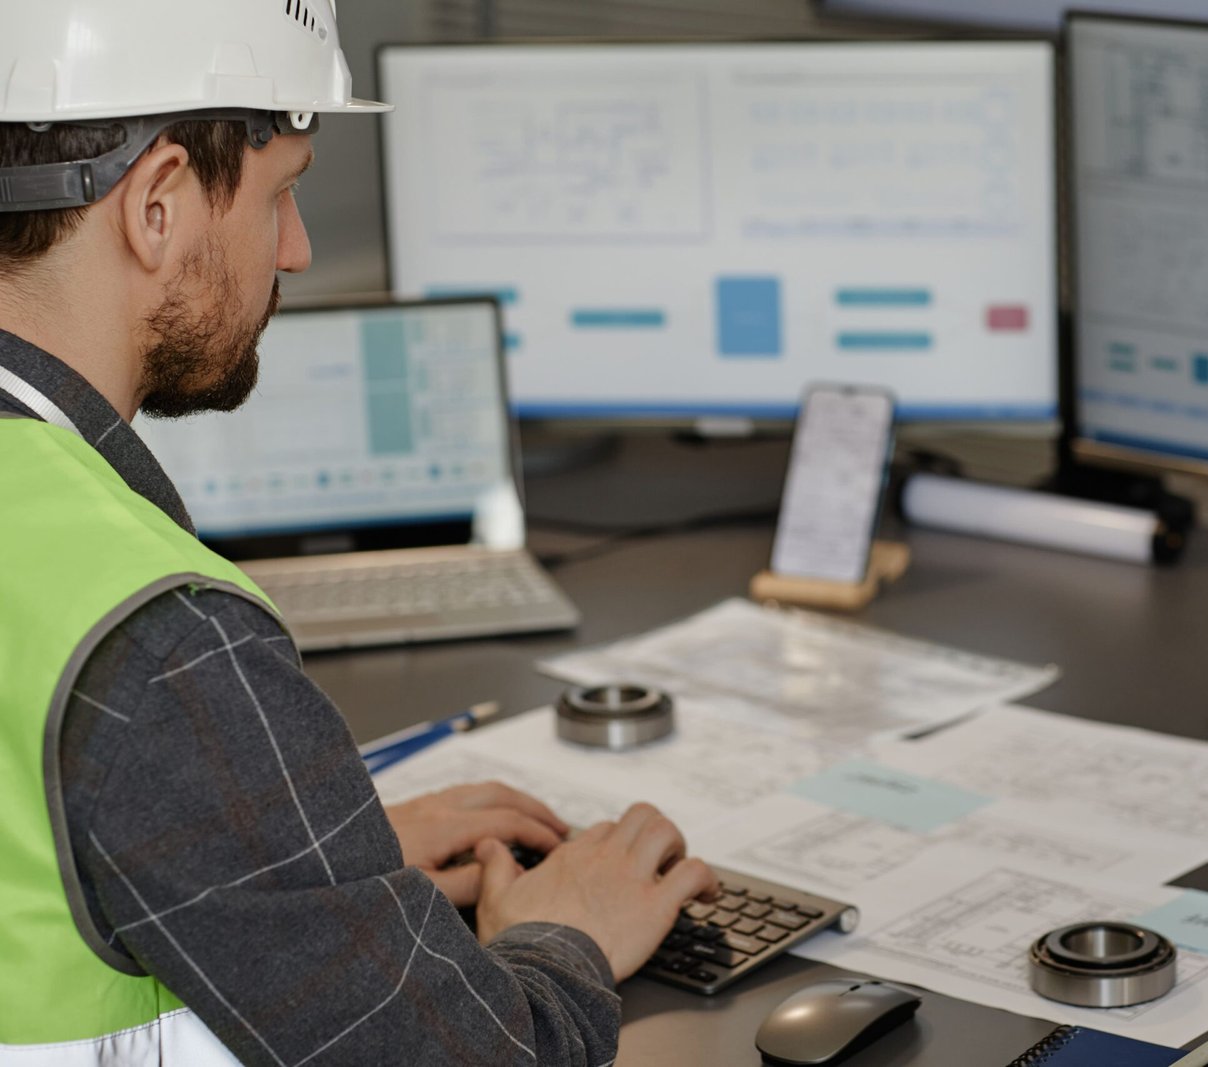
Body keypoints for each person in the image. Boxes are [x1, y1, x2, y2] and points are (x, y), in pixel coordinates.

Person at [0, 2, 718, 1063]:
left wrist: (295, 862)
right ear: (157, 204)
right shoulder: (163, 646)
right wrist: (558, 935)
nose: (294, 247)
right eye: (283, 190)